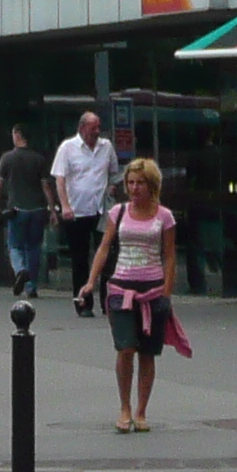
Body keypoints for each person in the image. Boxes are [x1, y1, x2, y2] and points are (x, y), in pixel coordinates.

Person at [82, 156, 185, 431]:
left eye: (140, 183)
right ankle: (124, 407)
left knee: (148, 353)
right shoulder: (118, 212)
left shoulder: (165, 216)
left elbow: (170, 256)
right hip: (120, 288)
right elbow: (104, 247)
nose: (134, 188)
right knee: (125, 347)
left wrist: (167, 291)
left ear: (152, 185)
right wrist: (91, 282)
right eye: (130, 182)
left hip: (152, 291)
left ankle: (141, 411)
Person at [47, 112, 116, 318]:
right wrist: (65, 206)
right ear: (82, 128)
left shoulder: (106, 147)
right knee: (80, 259)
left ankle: (108, 302)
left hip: (101, 210)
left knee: (106, 257)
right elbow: (60, 180)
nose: (97, 131)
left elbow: (113, 173)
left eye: (99, 127)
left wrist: (111, 188)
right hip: (77, 211)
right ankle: (83, 303)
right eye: (93, 127)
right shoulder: (68, 148)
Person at [0, 123, 50, 295]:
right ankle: (31, 286)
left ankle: (20, 270)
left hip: (17, 209)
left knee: (15, 246)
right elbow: (46, 186)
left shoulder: (7, 158)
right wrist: (52, 209)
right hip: (38, 209)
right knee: (34, 247)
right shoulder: (39, 159)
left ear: (17, 135)